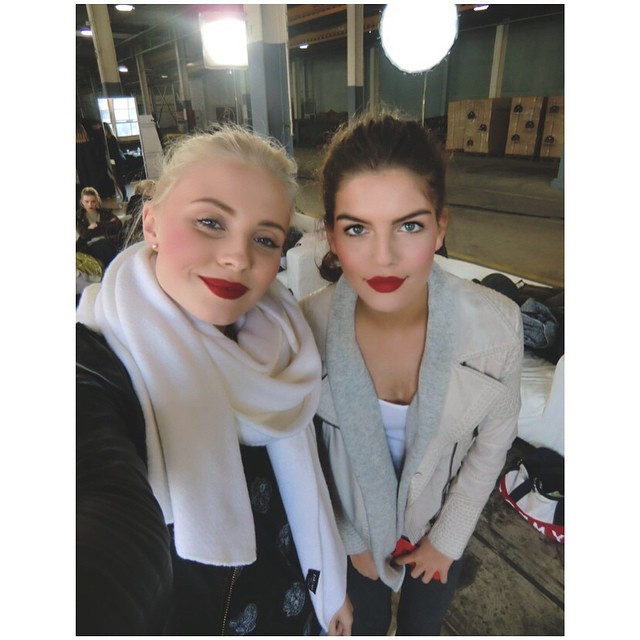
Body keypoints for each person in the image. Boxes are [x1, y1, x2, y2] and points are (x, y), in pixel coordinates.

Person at [76, 125, 352, 636]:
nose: (238, 258)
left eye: (264, 239)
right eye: (210, 222)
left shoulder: (286, 339)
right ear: (152, 225)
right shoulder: (92, 363)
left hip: (302, 608)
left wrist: (331, 590)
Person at [299, 112, 523, 635]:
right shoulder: (302, 329)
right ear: (331, 235)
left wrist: (448, 537)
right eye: (357, 228)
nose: (383, 257)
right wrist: (348, 538)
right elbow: (301, 451)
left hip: (438, 529)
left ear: (441, 225)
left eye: (409, 225)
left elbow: (495, 439)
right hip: (352, 539)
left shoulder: (497, 327)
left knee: (424, 625)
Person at [76, 186, 123, 269]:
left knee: (108, 246)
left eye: (93, 201)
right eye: (87, 202)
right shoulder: (79, 217)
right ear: (82, 202)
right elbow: (84, 234)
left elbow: (117, 225)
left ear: (97, 201)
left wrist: (98, 224)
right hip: (90, 246)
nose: (90, 205)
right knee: (104, 247)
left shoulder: (105, 212)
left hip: (109, 242)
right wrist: (107, 226)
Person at [103, 122, 129, 202]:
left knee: (119, 180)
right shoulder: (108, 139)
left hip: (117, 162)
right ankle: (123, 196)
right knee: (117, 180)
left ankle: (124, 196)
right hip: (114, 161)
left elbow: (114, 152)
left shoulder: (112, 139)